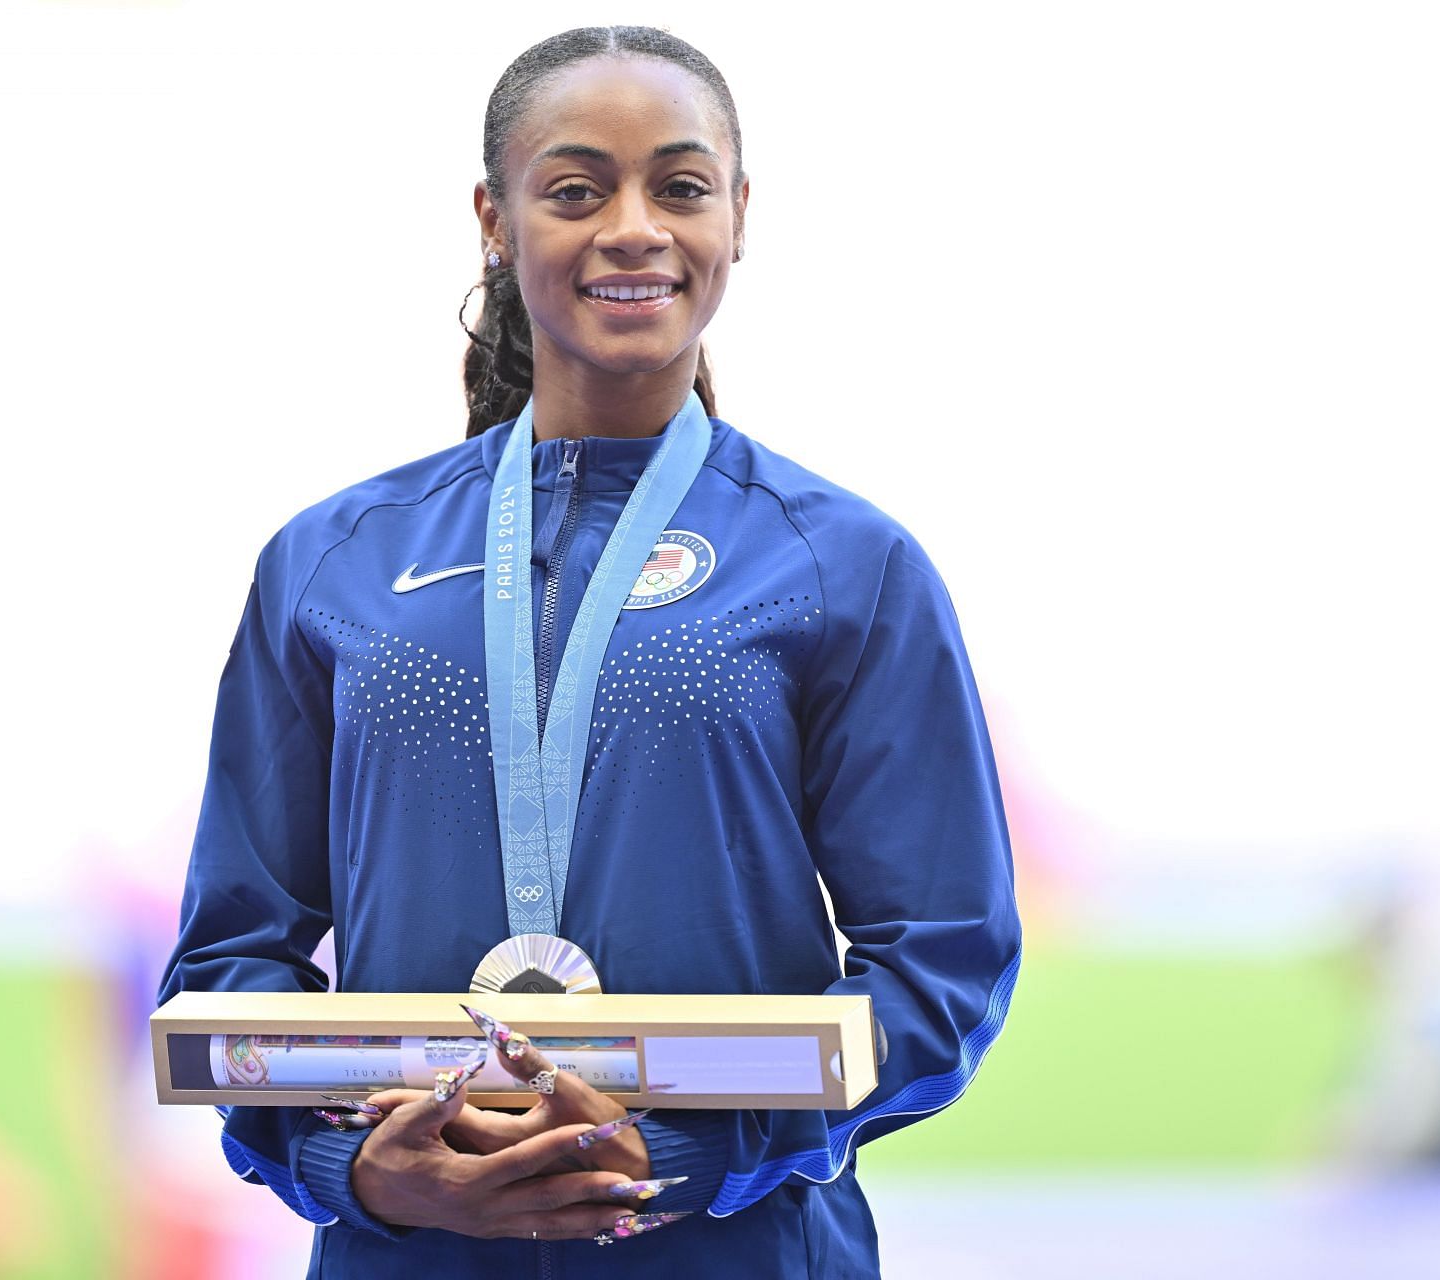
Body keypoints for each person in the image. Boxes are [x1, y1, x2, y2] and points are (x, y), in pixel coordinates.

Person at [158, 25, 1021, 1278]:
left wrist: (688, 1150)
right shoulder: (332, 562)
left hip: (740, 1250)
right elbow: (235, 954)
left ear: (737, 213)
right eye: (575, 189)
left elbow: (941, 963)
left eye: (678, 185)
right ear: (495, 221)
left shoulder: (845, 564)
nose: (632, 227)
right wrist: (354, 1166)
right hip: (409, 1255)